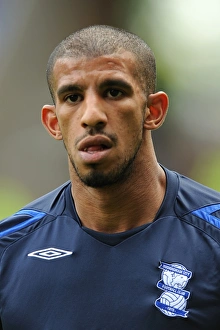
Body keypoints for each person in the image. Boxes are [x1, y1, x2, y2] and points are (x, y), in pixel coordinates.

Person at [0, 25, 220, 330]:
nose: (92, 116)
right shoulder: (8, 249)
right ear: (53, 123)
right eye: (73, 97)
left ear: (153, 111)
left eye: (113, 92)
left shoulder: (213, 237)